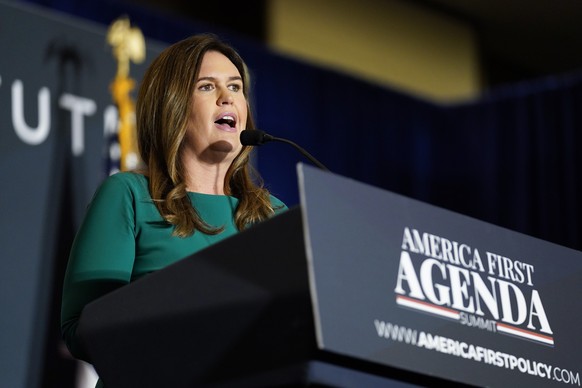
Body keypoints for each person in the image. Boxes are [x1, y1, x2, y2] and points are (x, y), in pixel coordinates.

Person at [60, 34, 287, 381]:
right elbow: (81, 330)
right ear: (173, 106)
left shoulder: (273, 216)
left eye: (236, 87)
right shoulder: (130, 197)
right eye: (207, 87)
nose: (228, 97)